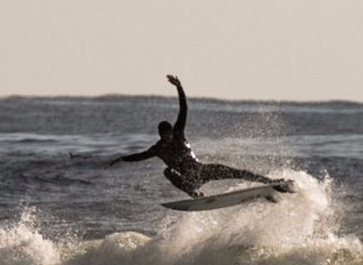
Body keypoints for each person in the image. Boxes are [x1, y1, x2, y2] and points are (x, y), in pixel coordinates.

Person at [109, 75, 288, 198]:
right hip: (189, 180)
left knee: (237, 172)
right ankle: (193, 194)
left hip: (202, 171)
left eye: (170, 133)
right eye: (165, 135)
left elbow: (183, 109)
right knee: (167, 171)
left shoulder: (179, 134)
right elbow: (139, 156)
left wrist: (179, 88)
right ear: (161, 135)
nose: (169, 137)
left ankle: (271, 182)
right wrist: (123, 158)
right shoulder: (158, 149)